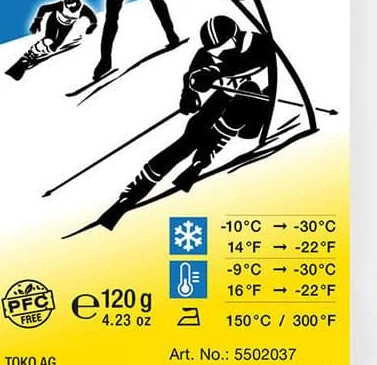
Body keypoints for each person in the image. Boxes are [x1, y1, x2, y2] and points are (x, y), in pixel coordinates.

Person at [97, 15, 276, 229]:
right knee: (193, 131)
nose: (217, 56)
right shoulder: (206, 54)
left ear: (235, 38)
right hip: (227, 95)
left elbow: (251, 63)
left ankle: (207, 152)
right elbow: (191, 76)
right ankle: (134, 192)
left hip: (257, 106)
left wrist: (215, 72)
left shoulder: (258, 42)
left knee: (245, 98)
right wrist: (189, 95)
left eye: (221, 50)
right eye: (214, 52)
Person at [5, 0, 96, 81]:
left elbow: (93, 19)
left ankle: (41, 52)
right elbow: (43, 8)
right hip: (54, 21)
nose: (70, 7)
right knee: (49, 39)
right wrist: (37, 21)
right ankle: (30, 54)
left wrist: (91, 27)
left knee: (54, 47)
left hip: (66, 27)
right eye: (68, 5)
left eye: (72, 4)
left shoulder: (84, 9)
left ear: (78, 2)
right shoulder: (60, 5)